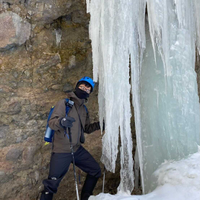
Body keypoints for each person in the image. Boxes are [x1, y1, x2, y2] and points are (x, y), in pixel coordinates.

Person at [40, 76, 102, 200]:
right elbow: (52, 123)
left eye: (88, 88)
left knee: (95, 170)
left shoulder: (83, 109)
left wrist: (101, 124)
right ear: (77, 86)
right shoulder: (64, 103)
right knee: (51, 185)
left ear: (90, 92)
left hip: (77, 149)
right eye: (82, 86)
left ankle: (86, 197)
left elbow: (87, 128)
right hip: (61, 151)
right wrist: (62, 121)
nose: (85, 89)